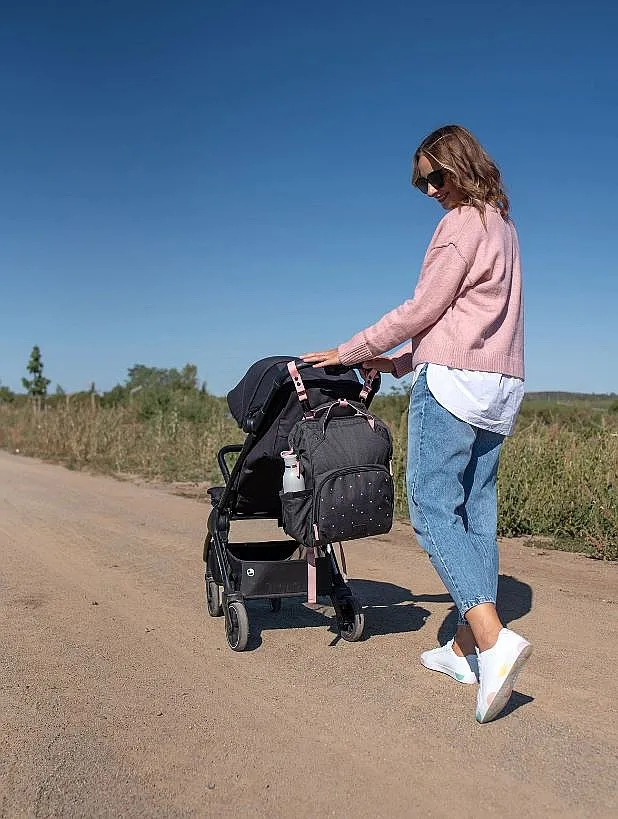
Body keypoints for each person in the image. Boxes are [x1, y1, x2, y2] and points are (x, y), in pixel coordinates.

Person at [302, 124, 532, 724]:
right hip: (499, 386)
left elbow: (422, 310)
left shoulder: (459, 225)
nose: (429, 190)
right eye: (420, 183)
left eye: (435, 176)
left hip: (453, 387)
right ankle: (462, 650)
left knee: (431, 512)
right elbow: (469, 321)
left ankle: (492, 640)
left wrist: (350, 351)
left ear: (459, 164)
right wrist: (399, 362)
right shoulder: (503, 228)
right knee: (476, 513)